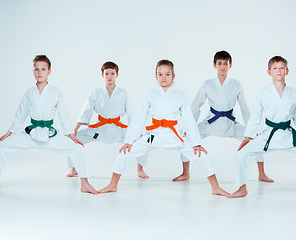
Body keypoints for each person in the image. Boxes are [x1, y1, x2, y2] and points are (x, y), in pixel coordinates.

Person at [98, 60, 230, 197]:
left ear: (173, 76)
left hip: (175, 136)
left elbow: (189, 120)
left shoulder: (180, 95)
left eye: (167, 74)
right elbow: (139, 118)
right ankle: (113, 184)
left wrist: (196, 143)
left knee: (200, 154)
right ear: (156, 76)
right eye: (160, 74)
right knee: (125, 152)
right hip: (153, 136)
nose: (163, 78)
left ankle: (215, 187)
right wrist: (129, 141)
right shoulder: (150, 95)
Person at [0, 55, 97, 194]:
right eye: (37, 69)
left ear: (49, 71)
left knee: (79, 149)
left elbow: (63, 114)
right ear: (33, 71)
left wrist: (71, 134)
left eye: (43, 69)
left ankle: (85, 184)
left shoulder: (55, 91)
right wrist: (10, 132)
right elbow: (21, 113)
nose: (40, 72)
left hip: (49, 134)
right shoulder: (29, 92)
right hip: (31, 133)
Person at [231, 56, 296, 199]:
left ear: (287, 71)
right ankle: (241, 188)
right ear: (269, 72)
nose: (279, 71)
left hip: (289, 136)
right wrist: (248, 137)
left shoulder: (292, 93)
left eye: (282, 68)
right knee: (241, 154)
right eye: (275, 68)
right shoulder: (264, 92)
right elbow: (255, 116)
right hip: (268, 136)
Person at [173, 51, 273, 183]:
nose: (223, 66)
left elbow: (244, 107)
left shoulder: (236, 84)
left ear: (230, 65)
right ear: (214, 65)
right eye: (220, 63)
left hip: (230, 124)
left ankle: (262, 173)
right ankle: (185, 172)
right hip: (211, 123)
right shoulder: (208, 84)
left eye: (225, 63)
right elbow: (196, 106)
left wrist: (252, 129)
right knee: (186, 138)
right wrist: (189, 127)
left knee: (256, 139)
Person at [66, 61, 149, 179]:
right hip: (99, 129)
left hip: (118, 129)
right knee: (74, 140)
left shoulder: (123, 93)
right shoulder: (96, 92)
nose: (109, 76)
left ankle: (140, 168)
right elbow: (86, 110)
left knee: (142, 141)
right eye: (107, 74)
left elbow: (131, 113)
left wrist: (137, 131)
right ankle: (74, 167)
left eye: (112, 73)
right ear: (102, 75)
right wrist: (75, 129)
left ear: (117, 75)